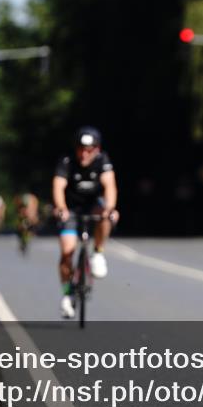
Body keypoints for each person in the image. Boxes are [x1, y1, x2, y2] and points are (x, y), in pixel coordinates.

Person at [52, 126, 119, 319]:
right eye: (81, 148)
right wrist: (62, 208)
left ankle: (98, 252)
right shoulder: (67, 162)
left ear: (97, 149)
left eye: (89, 150)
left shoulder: (102, 161)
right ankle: (67, 293)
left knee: (105, 214)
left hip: (93, 206)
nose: (84, 153)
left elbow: (110, 187)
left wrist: (110, 208)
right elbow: (58, 187)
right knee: (67, 252)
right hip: (71, 209)